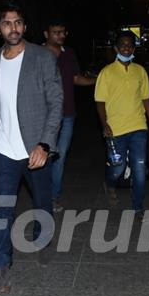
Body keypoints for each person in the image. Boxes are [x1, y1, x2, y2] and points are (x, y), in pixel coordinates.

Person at [0, 1, 63, 295]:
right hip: (2, 150)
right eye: (6, 23)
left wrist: (45, 143)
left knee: (42, 200)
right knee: (0, 210)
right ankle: (0, 269)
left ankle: (44, 239)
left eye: (17, 23)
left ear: (24, 27)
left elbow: (56, 103)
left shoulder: (42, 57)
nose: (12, 28)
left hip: (35, 148)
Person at [95, 30, 149, 216]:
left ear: (134, 48)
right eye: (122, 45)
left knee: (140, 168)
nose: (126, 48)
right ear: (116, 48)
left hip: (139, 126)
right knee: (118, 167)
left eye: (130, 45)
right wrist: (104, 124)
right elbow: (100, 102)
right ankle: (110, 184)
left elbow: (146, 100)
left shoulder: (140, 72)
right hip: (115, 129)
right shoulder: (106, 73)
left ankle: (138, 206)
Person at [43, 19, 96, 212]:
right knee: (44, 156)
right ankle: (43, 196)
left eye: (63, 32)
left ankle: (53, 197)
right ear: (46, 34)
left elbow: (76, 79)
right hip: (44, 116)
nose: (60, 35)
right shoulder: (36, 54)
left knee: (59, 157)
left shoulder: (69, 53)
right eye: (56, 32)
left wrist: (98, 81)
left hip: (67, 114)